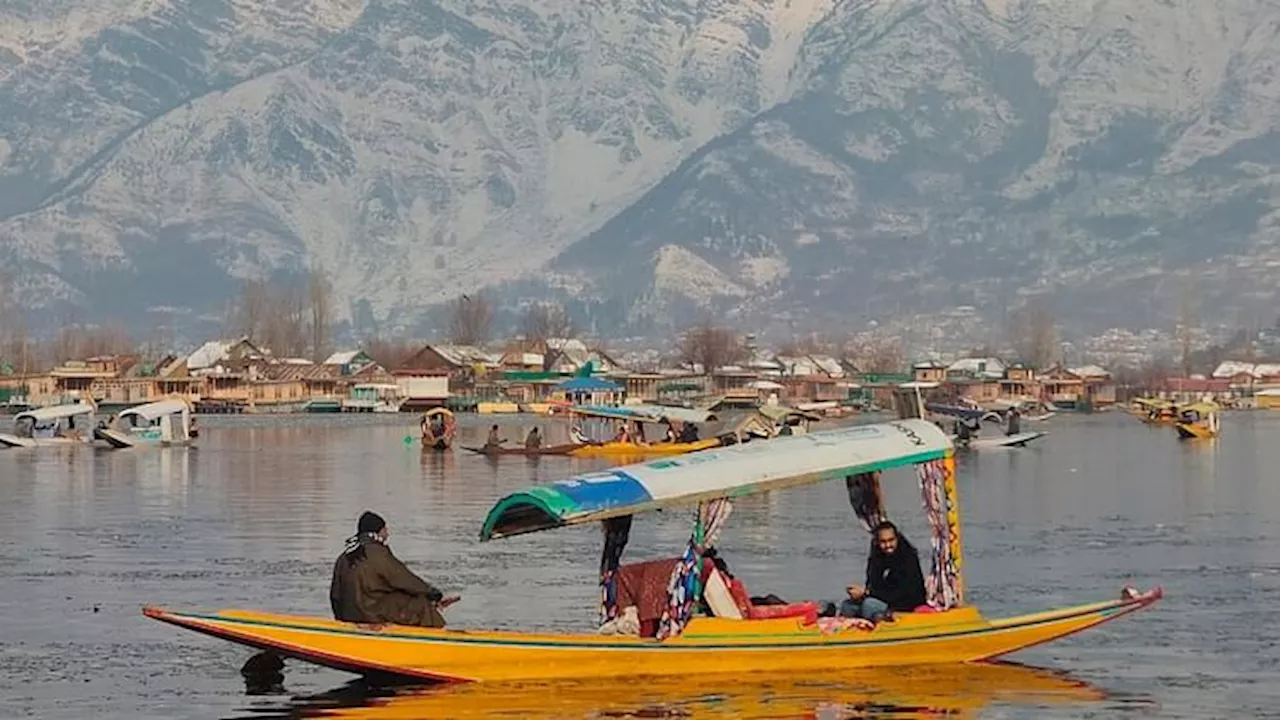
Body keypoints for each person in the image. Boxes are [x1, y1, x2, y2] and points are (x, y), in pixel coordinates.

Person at [329, 511, 459, 627]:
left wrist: (341, 619)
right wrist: (432, 593)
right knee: (421, 605)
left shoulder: (345, 556)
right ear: (377, 532)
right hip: (369, 613)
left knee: (408, 597)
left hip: (348, 615)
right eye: (385, 530)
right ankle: (438, 639)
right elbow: (403, 579)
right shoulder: (377, 553)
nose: (387, 534)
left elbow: (335, 594)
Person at [840, 521, 927, 622]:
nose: (888, 545)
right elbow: (873, 583)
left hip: (904, 604)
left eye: (891, 540)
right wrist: (860, 595)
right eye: (883, 542)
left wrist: (866, 593)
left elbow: (904, 592)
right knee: (847, 606)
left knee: (869, 605)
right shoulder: (877, 558)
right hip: (881, 600)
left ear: (897, 539)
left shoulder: (908, 558)